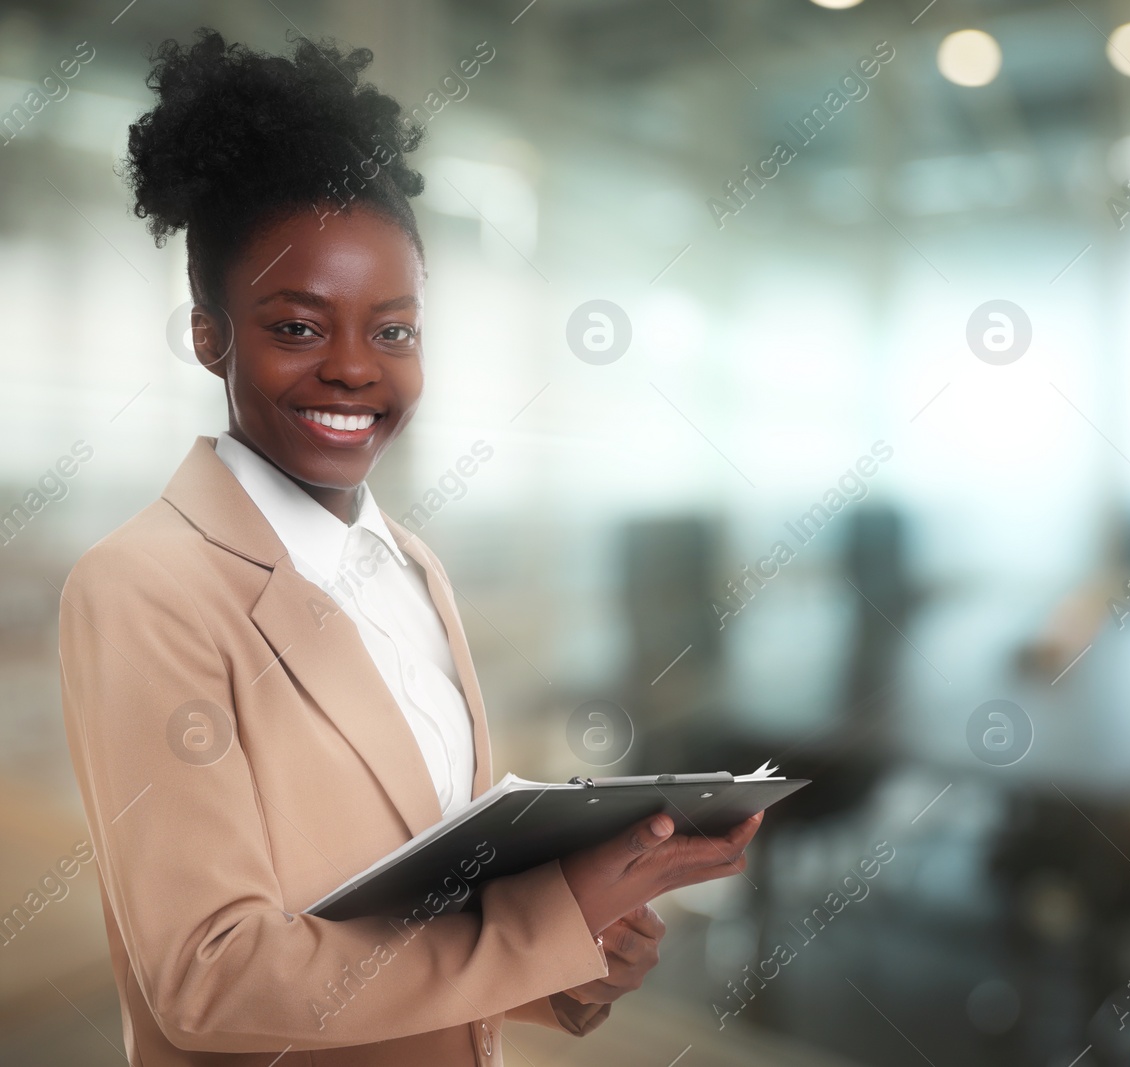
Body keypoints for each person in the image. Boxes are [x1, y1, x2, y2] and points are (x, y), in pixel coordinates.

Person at [57, 29, 761, 1066]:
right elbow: (210, 978)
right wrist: (546, 919)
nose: (353, 369)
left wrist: (573, 958)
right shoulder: (141, 587)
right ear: (210, 335)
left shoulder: (410, 566)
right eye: (298, 327)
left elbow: (415, 911)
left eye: (393, 330)